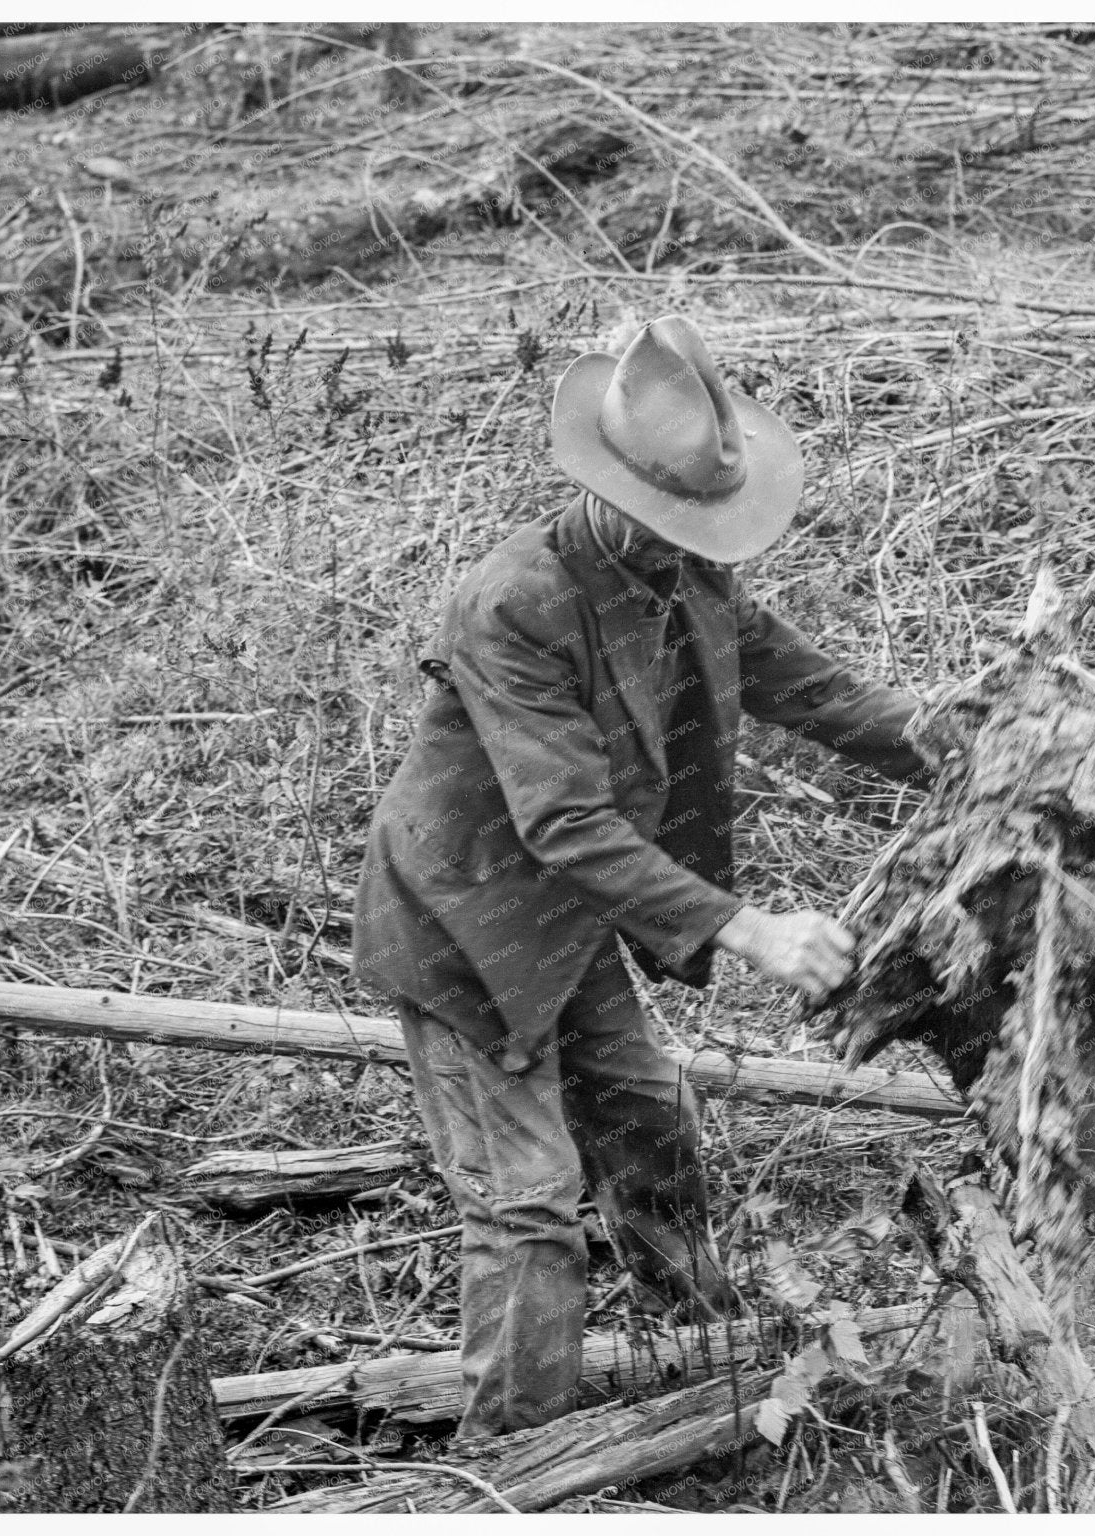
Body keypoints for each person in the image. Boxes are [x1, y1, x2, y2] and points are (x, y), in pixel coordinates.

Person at [352, 315, 930, 1439]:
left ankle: (691, 1344)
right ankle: (508, 1465)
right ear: (606, 486)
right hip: (465, 919)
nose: (688, 539)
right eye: (669, 519)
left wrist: (965, 742)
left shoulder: (691, 580)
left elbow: (820, 696)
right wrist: (746, 930)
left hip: (566, 916)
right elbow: (563, 821)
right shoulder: (515, 603)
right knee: (526, 1206)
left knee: (644, 1112)